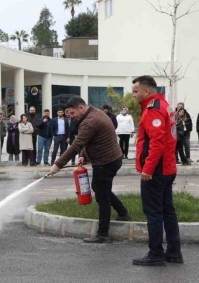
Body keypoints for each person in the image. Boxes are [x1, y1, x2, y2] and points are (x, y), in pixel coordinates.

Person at [49, 96, 131, 244]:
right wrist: (83, 156)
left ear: (81, 108)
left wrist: (58, 164)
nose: (72, 117)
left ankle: (103, 234)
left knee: (102, 196)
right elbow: (88, 142)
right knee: (100, 188)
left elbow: (76, 145)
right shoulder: (93, 113)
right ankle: (123, 213)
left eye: (73, 113)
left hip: (106, 162)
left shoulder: (89, 121)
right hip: (109, 159)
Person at [131, 75, 181, 266]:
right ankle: (174, 253)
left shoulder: (153, 109)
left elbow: (157, 142)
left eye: (136, 91)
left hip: (156, 169)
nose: (134, 95)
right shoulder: (164, 105)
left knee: (153, 212)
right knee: (168, 210)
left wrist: (148, 168)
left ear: (147, 91)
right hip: (167, 167)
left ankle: (155, 254)